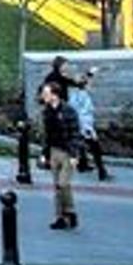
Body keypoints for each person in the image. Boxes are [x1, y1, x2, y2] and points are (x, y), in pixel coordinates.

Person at [40, 81, 82, 230]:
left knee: (63, 183)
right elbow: (46, 135)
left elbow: (75, 133)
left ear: (54, 94)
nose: (43, 96)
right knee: (57, 187)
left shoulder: (68, 111)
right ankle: (60, 217)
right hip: (53, 151)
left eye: (46, 93)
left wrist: (74, 154)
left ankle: (70, 211)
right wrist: (44, 153)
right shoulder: (46, 111)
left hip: (67, 152)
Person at [72, 68, 111, 181]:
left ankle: (82, 164)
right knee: (95, 148)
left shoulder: (75, 94)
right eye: (89, 84)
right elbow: (84, 114)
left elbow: (86, 80)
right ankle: (102, 172)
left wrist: (90, 73)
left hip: (78, 125)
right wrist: (88, 129)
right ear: (84, 86)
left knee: (81, 145)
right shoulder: (83, 96)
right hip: (85, 125)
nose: (91, 86)